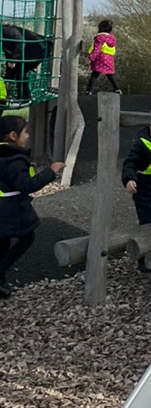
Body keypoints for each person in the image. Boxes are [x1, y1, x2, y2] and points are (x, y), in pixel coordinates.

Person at [0, 115, 65, 298]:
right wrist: (51, 171)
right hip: (10, 210)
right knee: (26, 238)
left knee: (3, 243)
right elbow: (26, 185)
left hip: (4, 210)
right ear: (13, 135)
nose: (27, 136)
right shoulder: (14, 160)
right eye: (25, 132)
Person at [85, 19, 121, 95]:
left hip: (100, 58)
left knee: (94, 74)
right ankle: (117, 89)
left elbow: (97, 49)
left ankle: (88, 90)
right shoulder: (112, 38)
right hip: (109, 58)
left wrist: (91, 57)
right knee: (110, 74)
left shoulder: (99, 37)